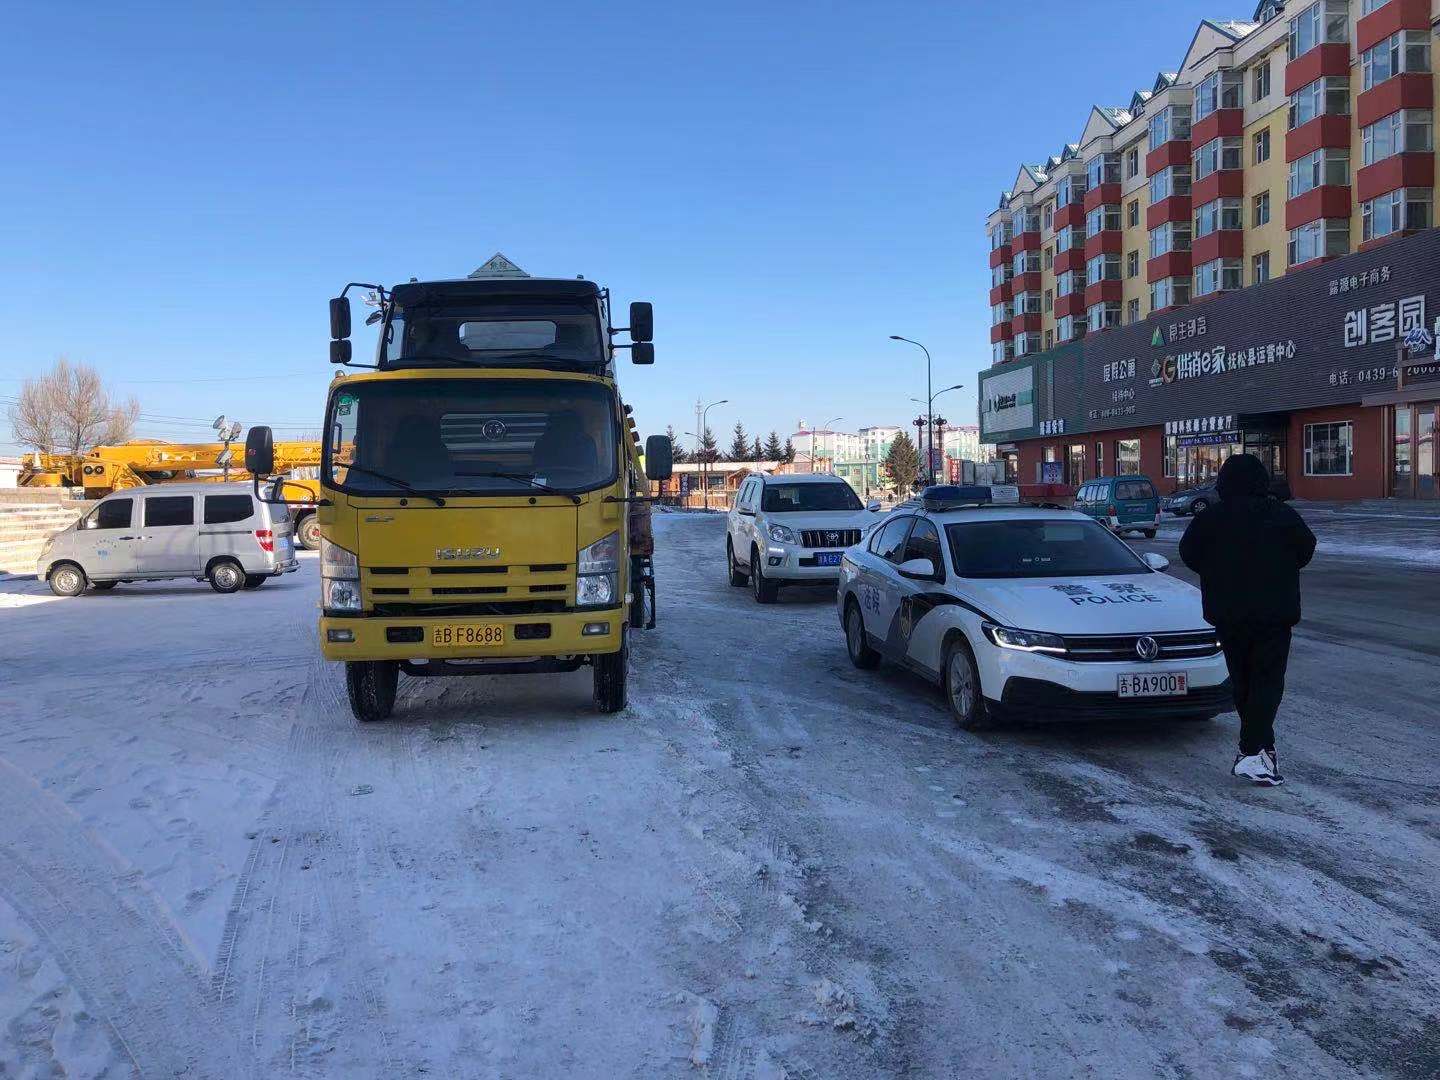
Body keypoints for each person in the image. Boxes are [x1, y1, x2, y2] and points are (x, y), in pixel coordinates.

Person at [1178, 454, 1316, 786]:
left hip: (1228, 613)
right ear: (1261, 481)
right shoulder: (1280, 514)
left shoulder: (1211, 518)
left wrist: (1219, 572)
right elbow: (1306, 548)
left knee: (1243, 682)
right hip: (1273, 614)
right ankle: (1252, 751)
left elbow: (1189, 553)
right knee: (1267, 682)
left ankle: (1260, 750)